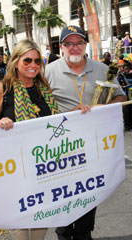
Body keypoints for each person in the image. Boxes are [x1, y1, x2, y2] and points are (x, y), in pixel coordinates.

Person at [0, 39, 90, 240]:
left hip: (45, 167)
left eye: (37, 61)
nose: (33, 65)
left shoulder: (43, 86)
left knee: (41, 222)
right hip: (18, 169)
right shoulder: (2, 88)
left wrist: (75, 112)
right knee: (22, 227)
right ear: (15, 62)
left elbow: (53, 122)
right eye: (27, 60)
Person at [45, 25, 126, 240]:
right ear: (61, 46)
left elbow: (120, 97)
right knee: (62, 195)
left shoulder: (102, 69)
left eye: (79, 42)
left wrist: (103, 109)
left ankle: (83, 233)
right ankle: (63, 232)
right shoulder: (47, 72)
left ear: (85, 45)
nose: (74, 47)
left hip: (92, 147)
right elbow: (40, 108)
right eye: (68, 43)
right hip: (60, 149)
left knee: (88, 192)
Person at [117, 64, 132, 131]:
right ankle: (127, 125)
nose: (127, 70)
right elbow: (117, 84)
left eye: (128, 69)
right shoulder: (120, 76)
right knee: (126, 110)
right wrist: (121, 86)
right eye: (125, 69)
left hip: (131, 94)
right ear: (123, 69)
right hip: (125, 95)